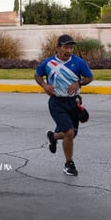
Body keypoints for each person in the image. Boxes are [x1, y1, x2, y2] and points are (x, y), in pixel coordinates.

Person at [34, 34, 93, 176]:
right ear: (58, 48)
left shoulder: (78, 62)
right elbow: (37, 75)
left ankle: (53, 137)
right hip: (57, 103)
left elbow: (89, 77)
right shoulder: (49, 63)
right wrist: (44, 85)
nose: (69, 51)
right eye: (66, 47)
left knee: (71, 135)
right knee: (69, 133)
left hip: (73, 103)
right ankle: (69, 164)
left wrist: (78, 82)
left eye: (71, 48)